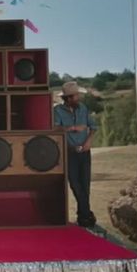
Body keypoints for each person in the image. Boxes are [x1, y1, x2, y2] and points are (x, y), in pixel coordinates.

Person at [53, 81, 98, 228]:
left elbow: (93, 126)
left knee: (85, 185)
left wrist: (88, 142)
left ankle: (83, 217)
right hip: (69, 152)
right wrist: (72, 128)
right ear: (68, 98)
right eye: (76, 95)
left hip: (84, 151)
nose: (79, 97)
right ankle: (87, 214)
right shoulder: (57, 110)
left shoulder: (83, 108)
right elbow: (54, 129)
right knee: (74, 184)